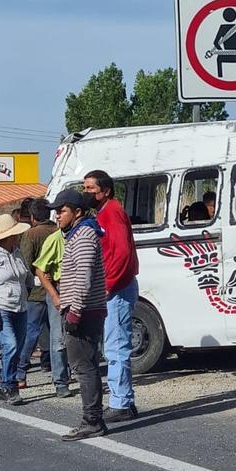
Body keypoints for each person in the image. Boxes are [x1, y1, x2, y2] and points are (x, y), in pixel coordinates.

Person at [48, 189, 108, 440]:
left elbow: (83, 278)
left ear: (78, 212)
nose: (57, 215)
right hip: (84, 310)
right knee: (88, 366)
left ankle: (91, 421)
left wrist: (74, 313)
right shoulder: (79, 233)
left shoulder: (83, 236)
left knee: (84, 368)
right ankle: (93, 418)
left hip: (82, 312)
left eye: (61, 210)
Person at [83, 169, 140, 423]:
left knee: (117, 347)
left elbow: (122, 253)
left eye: (91, 189)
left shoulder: (112, 213)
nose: (87, 194)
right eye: (84, 189)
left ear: (105, 191)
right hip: (117, 286)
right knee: (114, 345)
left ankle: (121, 403)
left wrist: (108, 285)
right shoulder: (105, 212)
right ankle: (123, 398)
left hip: (117, 289)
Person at [17, 198, 71, 395]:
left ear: (32, 217)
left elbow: (25, 263)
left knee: (32, 333)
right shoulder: (58, 232)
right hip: (57, 289)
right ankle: (59, 372)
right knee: (58, 335)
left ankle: (21, 373)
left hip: (38, 291)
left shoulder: (31, 234)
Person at [0, 214, 31, 405]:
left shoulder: (16, 252)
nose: (18, 237)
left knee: (17, 348)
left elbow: (25, 277)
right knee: (10, 346)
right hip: (3, 308)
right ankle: (9, 385)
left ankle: (6, 383)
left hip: (21, 307)